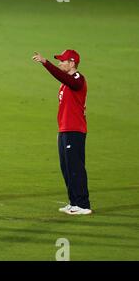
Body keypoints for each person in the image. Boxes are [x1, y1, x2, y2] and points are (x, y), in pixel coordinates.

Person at [32, 49, 92, 215]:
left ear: (72, 63)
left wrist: (46, 63)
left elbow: (65, 78)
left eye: (63, 61)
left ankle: (83, 204)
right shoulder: (66, 83)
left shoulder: (78, 79)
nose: (60, 63)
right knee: (66, 168)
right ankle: (74, 202)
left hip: (75, 130)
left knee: (75, 168)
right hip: (65, 129)